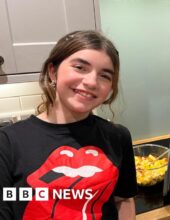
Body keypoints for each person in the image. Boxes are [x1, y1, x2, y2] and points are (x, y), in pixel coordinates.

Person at [0, 30, 137, 219]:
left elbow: (123, 200)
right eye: (80, 67)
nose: (91, 82)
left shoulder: (118, 136)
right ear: (53, 71)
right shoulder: (8, 142)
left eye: (105, 75)